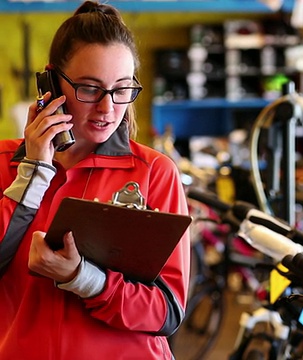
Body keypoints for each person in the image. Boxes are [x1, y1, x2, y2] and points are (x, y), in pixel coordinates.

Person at [0, 1, 190, 359]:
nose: (108, 109)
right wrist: (34, 172)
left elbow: (166, 310)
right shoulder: (3, 165)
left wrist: (84, 279)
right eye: (89, 88)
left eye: (121, 89)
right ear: (52, 82)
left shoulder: (153, 173)